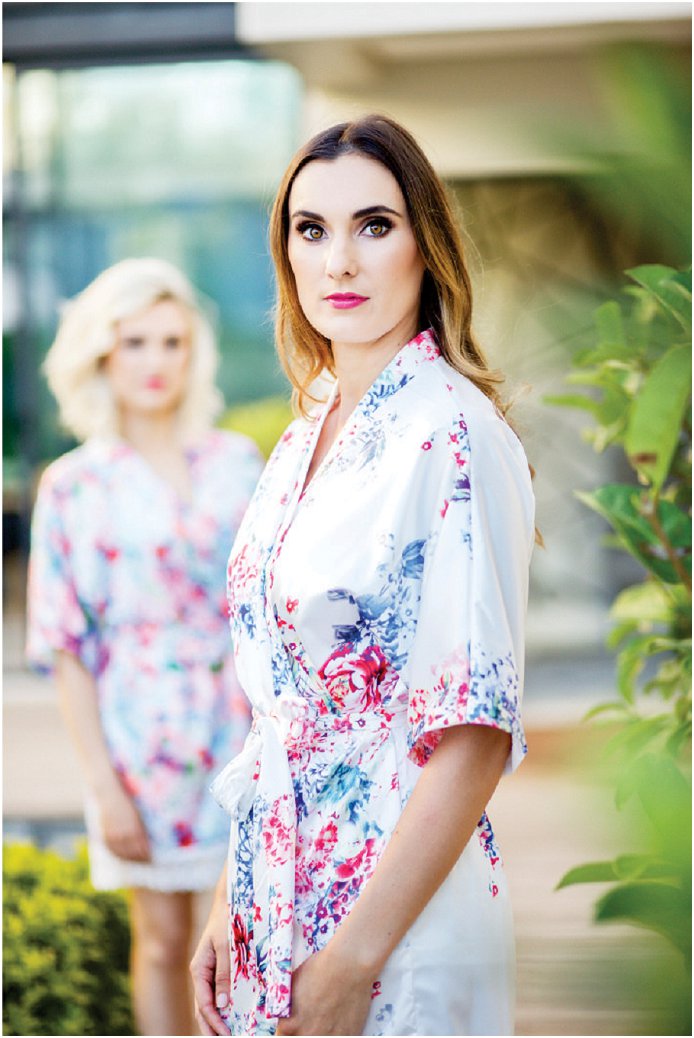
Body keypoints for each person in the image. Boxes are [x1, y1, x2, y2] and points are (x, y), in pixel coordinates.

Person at [190, 115, 535, 1038]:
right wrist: (230, 895)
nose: (339, 261)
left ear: (427, 245)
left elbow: (475, 735)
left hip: (390, 927)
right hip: (273, 898)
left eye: (374, 225)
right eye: (312, 229)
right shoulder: (307, 431)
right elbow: (284, 710)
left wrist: (354, 962)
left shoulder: (452, 433)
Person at [26, 258, 264, 1036]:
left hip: (244, 735)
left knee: (248, 941)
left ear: (195, 352)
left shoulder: (237, 461)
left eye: (172, 341)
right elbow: (64, 644)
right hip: (140, 748)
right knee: (162, 942)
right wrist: (104, 787)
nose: (155, 361)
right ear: (101, 354)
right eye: (134, 342)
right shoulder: (73, 485)